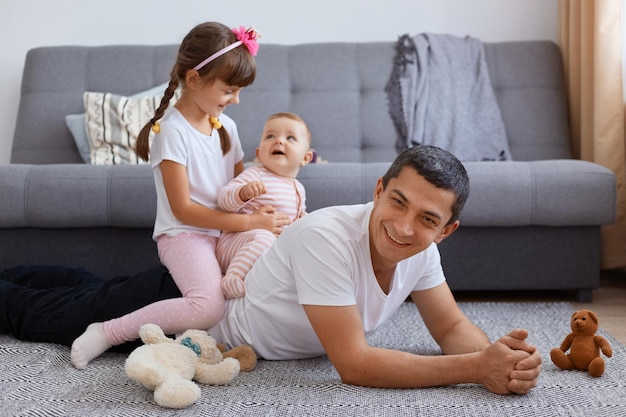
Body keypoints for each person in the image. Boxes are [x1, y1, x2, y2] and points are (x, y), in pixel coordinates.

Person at [0, 145, 542, 394]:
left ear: (445, 230)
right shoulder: (328, 237)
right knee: (43, 315)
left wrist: (498, 358)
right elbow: (352, 364)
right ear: (378, 191)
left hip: (198, 302)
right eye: (396, 202)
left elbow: (448, 327)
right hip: (190, 318)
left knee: (88, 288)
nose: (403, 226)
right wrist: (475, 369)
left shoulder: (423, 250)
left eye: (426, 218)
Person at [69, 22, 293, 370]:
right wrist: (248, 221)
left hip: (226, 231)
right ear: (193, 80)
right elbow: (184, 210)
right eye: (229, 90)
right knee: (208, 306)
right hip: (186, 235)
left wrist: (262, 208)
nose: (235, 100)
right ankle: (107, 332)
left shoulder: (226, 127)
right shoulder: (172, 133)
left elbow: (237, 188)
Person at [217, 112, 313, 298]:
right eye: (270, 136)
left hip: (269, 252)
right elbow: (223, 199)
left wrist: (306, 222)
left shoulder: (299, 189)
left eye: (290, 138)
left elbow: (300, 216)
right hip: (237, 244)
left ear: (305, 158)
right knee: (264, 238)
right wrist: (242, 193)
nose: (278, 141)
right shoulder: (256, 174)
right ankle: (232, 277)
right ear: (259, 153)